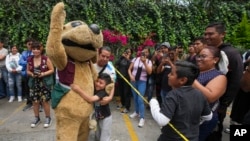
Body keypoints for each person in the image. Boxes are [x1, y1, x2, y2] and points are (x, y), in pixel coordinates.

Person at [150, 61, 212, 141]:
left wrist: (153, 103)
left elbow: (162, 120)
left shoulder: (173, 95)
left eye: (172, 74)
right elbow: (208, 116)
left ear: (182, 80)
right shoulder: (199, 94)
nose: (168, 75)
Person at [204, 22, 243, 140]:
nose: (207, 37)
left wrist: (225, 103)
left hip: (218, 102)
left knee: (213, 131)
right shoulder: (208, 50)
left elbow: (236, 80)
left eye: (211, 34)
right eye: (205, 34)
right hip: (204, 98)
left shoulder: (231, 54)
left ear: (223, 34)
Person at [192, 46, 227, 141]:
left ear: (215, 60)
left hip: (203, 120)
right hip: (187, 116)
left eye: (203, 56)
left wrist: (191, 79)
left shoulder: (219, 77)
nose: (199, 59)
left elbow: (210, 97)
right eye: (198, 56)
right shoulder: (195, 71)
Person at [71, 73, 113, 141]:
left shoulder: (103, 92)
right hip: (97, 116)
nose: (98, 84)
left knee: (104, 138)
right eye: (97, 81)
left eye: (101, 83)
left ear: (106, 85)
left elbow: (90, 99)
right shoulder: (94, 89)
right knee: (97, 136)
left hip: (105, 118)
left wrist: (78, 90)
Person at [26, 41, 54, 128]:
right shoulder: (30, 59)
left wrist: (43, 74)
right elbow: (27, 71)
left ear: (41, 50)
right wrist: (31, 74)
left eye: (37, 49)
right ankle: (36, 118)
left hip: (44, 83)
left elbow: (52, 70)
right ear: (31, 50)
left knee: (45, 101)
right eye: (34, 49)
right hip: (34, 83)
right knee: (35, 101)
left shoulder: (46, 59)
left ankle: (48, 118)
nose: (35, 51)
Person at [128, 47, 152, 127]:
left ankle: (142, 118)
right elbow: (129, 69)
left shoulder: (149, 61)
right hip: (133, 81)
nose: (144, 53)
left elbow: (149, 72)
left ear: (148, 54)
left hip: (142, 82)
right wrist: (131, 76)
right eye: (143, 51)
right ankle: (136, 112)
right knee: (135, 97)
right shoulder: (135, 59)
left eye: (146, 52)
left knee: (140, 99)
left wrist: (144, 62)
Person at [115, 48, 133, 113]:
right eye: (126, 52)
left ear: (131, 53)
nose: (127, 53)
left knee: (126, 93)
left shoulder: (132, 60)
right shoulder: (121, 58)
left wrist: (128, 59)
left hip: (126, 78)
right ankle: (123, 104)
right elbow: (116, 63)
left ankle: (127, 107)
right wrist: (121, 57)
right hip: (120, 78)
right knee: (121, 92)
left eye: (129, 52)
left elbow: (131, 67)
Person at [19, 38, 34, 110]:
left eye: (31, 44)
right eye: (29, 44)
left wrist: (27, 62)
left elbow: (35, 63)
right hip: (26, 74)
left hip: (34, 74)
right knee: (27, 89)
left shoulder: (36, 52)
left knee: (35, 89)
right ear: (26, 45)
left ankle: (38, 104)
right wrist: (28, 62)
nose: (30, 45)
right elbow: (20, 62)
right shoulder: (24, 53)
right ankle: (29, 103)